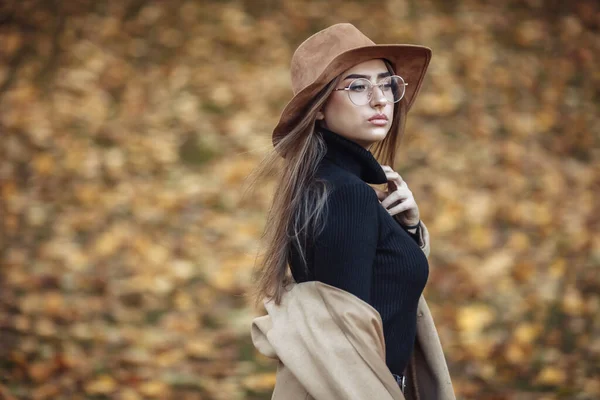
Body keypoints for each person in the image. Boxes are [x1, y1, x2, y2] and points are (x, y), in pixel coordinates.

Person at [248, 23, 454, 399]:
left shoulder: (325, 184)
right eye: (357, 86)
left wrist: (405, 232)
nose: (380, 100)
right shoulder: (347, 195)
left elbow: (377, 298)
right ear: (320, 109)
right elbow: (347, 351)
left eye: (386, 84)